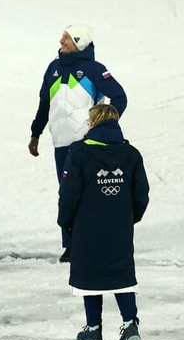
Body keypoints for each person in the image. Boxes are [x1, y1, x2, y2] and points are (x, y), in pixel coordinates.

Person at [28, 25, 127, 262]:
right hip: (60, 142)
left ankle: (90, 242)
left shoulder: (94, 69)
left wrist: (105, 127)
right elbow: (45, 104)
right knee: (67, 194)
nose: (61, 40)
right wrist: (35, 133)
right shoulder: (53, 68)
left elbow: (120, 97)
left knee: (87, 193)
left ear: (79, 42)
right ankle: (71, 245)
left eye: (67, 37)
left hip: (85, 143)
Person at [57, 104, 149, 340]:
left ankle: (93, 328)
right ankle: (130, 323)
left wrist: (65, 222)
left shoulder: (79, 153)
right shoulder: (131, 154)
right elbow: (142, 193)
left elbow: (68, 194)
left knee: (89, 276)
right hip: (119, 226)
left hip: (86, 227)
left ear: (93, 123)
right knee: (121, 273)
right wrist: (129, 217)